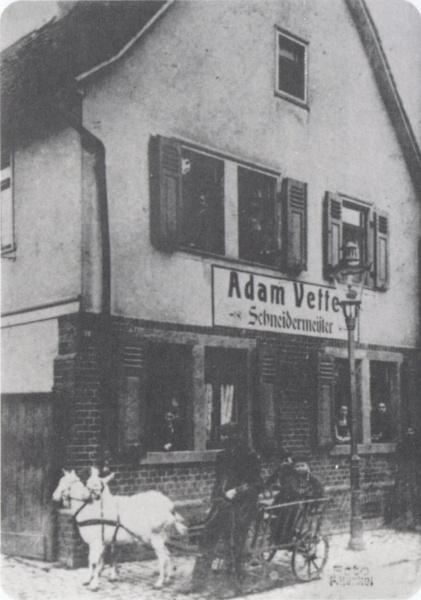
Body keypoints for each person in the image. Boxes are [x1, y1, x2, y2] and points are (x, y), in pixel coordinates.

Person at [189, 422, 262, 593]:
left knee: (233, 541)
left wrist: (237, 491)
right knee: (206, 536)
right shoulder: (222, 456)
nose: (224, 438)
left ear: (237, 436)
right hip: (222, 504)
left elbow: (257, 484)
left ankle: (234, 584)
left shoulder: (250, 455)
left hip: (243, 505)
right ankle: (198, 583)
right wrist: (213, 503)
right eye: (223, 435)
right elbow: (218, 482)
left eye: (228, 435)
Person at [268, 457, 324, 544]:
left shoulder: (311, 477)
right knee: (278, 516)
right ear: (293, 468)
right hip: (288, 500)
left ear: (307, 466)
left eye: (302, 466)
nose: (300, 468)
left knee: (292, 516)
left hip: (301, 503)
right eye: (297, 466)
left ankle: (288, 536)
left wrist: (314, 498)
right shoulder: (291, 477)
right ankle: (279, 536)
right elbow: (286, 487)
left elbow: (319, 488)